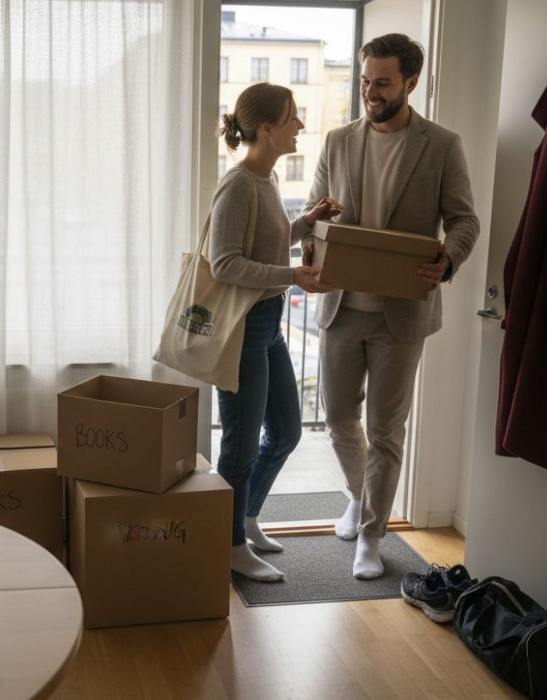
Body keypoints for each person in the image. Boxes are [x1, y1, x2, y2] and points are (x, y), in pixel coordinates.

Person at [301, 34, 479, 580]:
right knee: (336, 418)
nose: (369, 92)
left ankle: (372, 537)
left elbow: (464, 221)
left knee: (386, 429)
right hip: (341, 305)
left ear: (410, 82)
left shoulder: (441, 145)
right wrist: (314, 228)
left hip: (402, 312)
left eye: (381, 82)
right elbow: (312, 213)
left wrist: (448, 259)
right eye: (364, 80)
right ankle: (360, 497)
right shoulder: (337, 140)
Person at [212, 82, 339, 582]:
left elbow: (266, 242)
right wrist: (294, 276)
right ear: (266, 128)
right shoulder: (239, 182)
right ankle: (227, 544)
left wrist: (306, 222)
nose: (300, 127)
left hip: (268, 326)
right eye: (292, 118)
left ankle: (244, 520)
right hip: (243, 329)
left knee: (285, 432)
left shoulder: (264, 181)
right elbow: (224, 264)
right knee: (240, 446)